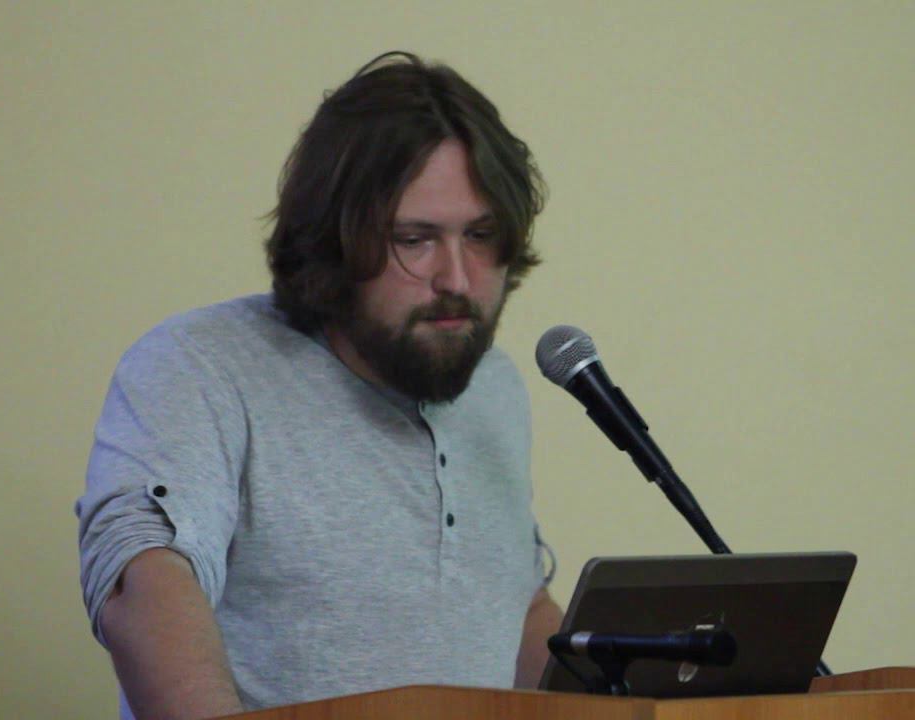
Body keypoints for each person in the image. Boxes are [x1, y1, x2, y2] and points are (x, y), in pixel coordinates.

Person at [76, 51, 563, 719]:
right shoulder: (203, 365)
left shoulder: (494, 387)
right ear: (334, 240)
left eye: (481, 236)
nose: (456, 277)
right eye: (414, 239)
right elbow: (143, 582)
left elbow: (517, 608)